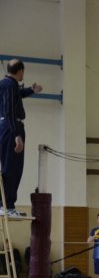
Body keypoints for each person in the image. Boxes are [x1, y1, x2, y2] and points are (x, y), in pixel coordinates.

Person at [0, 59, 42, 217]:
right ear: (20, 71)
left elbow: (17, 96)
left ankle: (5, 205)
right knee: (13, 168)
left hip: (4, 127)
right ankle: (7, 206)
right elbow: (9, 111)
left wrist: (31, 90)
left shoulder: (5, 84)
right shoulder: (11, 85)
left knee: (8, 167)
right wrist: (17, 135)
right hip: (12, 128)